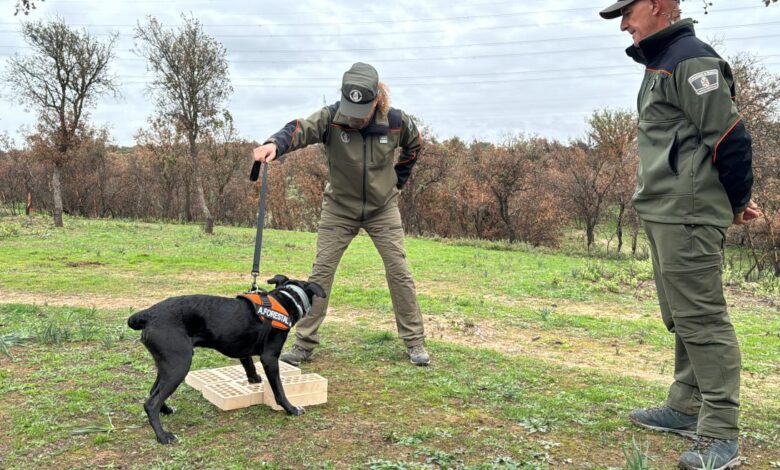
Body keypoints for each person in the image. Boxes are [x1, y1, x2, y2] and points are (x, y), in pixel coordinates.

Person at [599, 0, 762, 468]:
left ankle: (720, 434)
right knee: (682, 315)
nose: (625, 24)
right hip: (666, 210)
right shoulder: (661, 62)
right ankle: (686, 405)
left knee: (703, 320)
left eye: (627, 13)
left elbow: (730, 135)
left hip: (688, 213)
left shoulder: (690, 59)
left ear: (657, 5)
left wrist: (733, 202)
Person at [252, 62, 430, 366]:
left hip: (382, 209)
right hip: (339, 208)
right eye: (351, 109)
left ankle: (414, 342)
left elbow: (415, 146)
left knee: (399, 272)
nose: (354, 118)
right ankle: (304, 344)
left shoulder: (398, 122)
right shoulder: (330, 118)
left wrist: (397, 180)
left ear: (377, 99)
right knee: (321, 274)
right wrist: (274, 145)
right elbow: (298, 129)